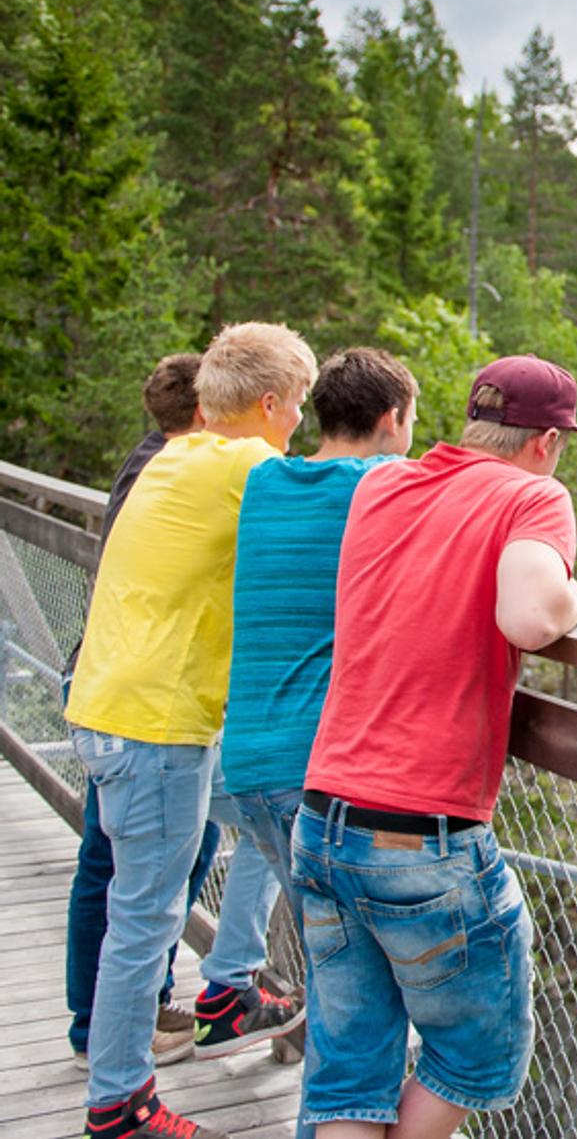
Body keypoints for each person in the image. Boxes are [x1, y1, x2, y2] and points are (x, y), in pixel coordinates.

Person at [294, 354, 577, 1139]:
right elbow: (530, 618)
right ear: (545, 442)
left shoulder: (383, 485)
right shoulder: (536, 495)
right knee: (477, 1057)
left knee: (350, 1076)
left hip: (322, 818)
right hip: (420, 836)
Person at [68, 322, 318, 1139]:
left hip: (111, 712)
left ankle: (224, 985)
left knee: (262, 817)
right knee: (143, 917)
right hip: (158, 728)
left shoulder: (174, 456)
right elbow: (334, 511)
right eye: (301, 408)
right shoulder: (246, 462)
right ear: (271, 403)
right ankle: (119, 1104)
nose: (300, 428)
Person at [219, 347, 416, 1138]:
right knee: (360, 1004)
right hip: (321, 770)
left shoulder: (265, 480)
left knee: (340, 977)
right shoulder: (379, 485)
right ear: (391, 420)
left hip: (250, 763)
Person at [64, 355, 224, 1071]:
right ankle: (105, 1029)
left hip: (114, 686)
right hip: (141, 701)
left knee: (121, 867)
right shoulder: (175, 470)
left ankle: (114, 1015)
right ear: (205, 409)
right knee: (130, 878)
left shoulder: (152, 462)